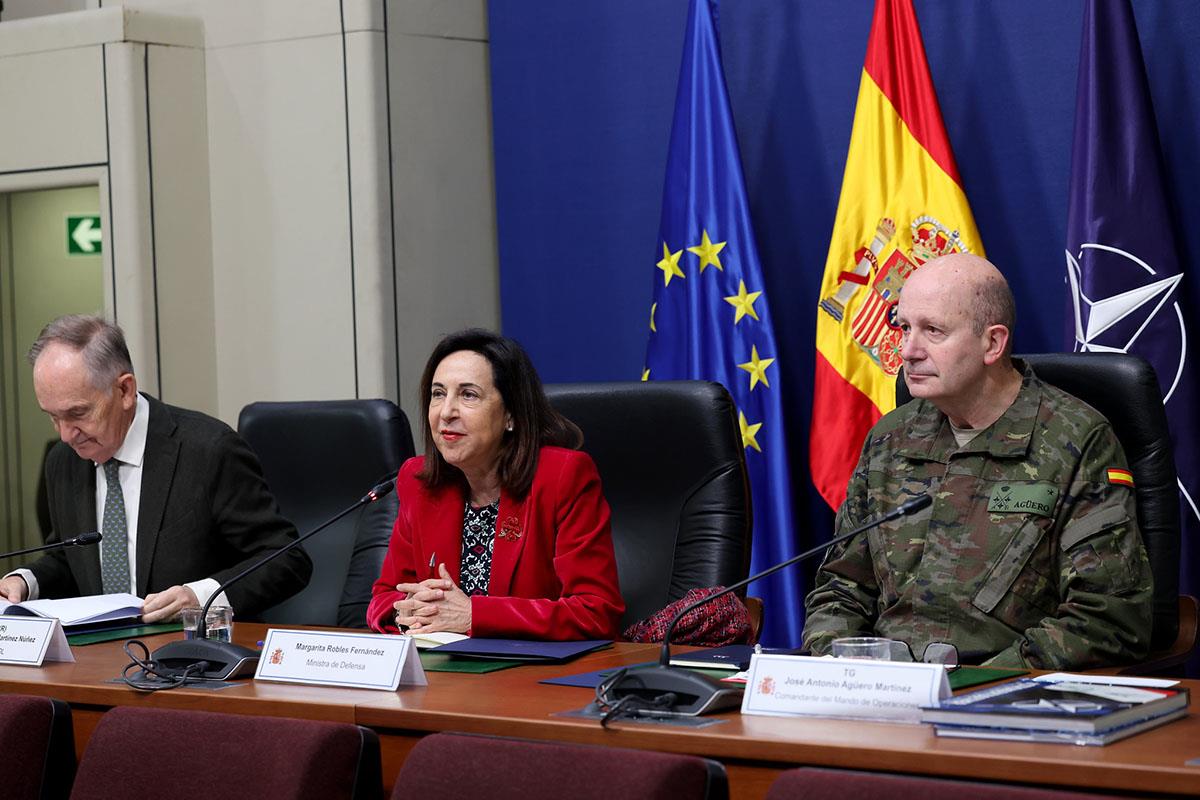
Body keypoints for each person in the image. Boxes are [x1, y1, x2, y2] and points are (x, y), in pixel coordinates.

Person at [802, 254, 1153, 670]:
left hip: (1006, 698)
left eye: (932, 331)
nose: (907, 350)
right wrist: (840, 668)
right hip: (884, 694)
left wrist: (976, 684)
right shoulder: (890, 438)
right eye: (904, 327)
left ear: (992, 343)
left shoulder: (1075, 439)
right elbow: (841, 588)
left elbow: (1108, 615)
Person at [0, 315, 312, 622]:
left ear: (124, 391)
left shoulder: (209, 451)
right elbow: (70, 559)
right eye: (53, 417)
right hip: (99, 659)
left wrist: (201, 597)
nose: (66, 434)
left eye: (78, 413)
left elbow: (286, 558)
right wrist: (25, 581)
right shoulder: (63, 461)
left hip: (192, 657)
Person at [367, 329, 624, 640]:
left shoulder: (562, 476)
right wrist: (406, 609)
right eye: (438, 394)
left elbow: (596, 612)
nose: (447, 412)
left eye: (468, 395)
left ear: (510, 415)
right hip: (444, 674)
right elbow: (382, 598)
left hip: (530, 680)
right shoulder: (418, 481)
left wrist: (474, 615)